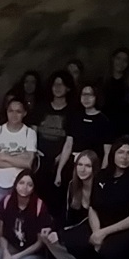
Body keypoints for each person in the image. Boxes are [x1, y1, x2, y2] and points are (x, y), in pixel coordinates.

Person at [83, 138, 129, 259]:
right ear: (113, 154)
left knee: (110, 249)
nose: (124, 157)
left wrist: (103, 233)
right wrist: (97, 231)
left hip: (128, 227)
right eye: (121, 152)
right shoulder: (101, 176)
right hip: (102, 223)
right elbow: (93, 207)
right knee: (74, 240)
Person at [41, 151, 99, 259]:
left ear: (94, 168)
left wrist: (62, 234)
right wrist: (53, 228)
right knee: (47, 235)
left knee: (69, 237)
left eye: (88, 166)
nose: (82, 169)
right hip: (76, 227)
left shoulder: (99, 186)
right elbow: (65, 214)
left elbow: (91, 221)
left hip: (94, 228)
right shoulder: (73, 185)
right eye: (80, 164)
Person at [0, 96, 38, 209]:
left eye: (18, 111)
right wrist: (18, 158)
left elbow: (28, 163)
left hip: (21, 185)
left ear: (24, 113)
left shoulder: (29, 133)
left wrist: (3, 156)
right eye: (11, 111)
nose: (14, 114)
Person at [33, 72, 75, 203]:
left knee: (56, 198)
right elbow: (32, 132)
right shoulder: (41, 107)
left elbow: (69, 141)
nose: (58, 87)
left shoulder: (72, 111)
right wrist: (34, 151)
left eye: (62, 84)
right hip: (38, 160)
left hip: (60, 161)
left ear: (68, 88)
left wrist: (61, 158)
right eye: (55, 84)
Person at [62, 82, 113, 178]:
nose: (86, 98)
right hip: (74, 165)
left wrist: (102, 175)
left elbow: (107, 152)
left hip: (93, 167)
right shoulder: (75, 117)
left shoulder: (104, 121)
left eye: (90, 95)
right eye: (84, 94)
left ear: (96, 97)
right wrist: (59, 171)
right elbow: (68, 145)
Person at [103, 47, 129, 142]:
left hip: (125, 131)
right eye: (118, 58)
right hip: (105, 128)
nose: (121, 63)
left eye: (125, 60)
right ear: (112, 59)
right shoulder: (102, 82)